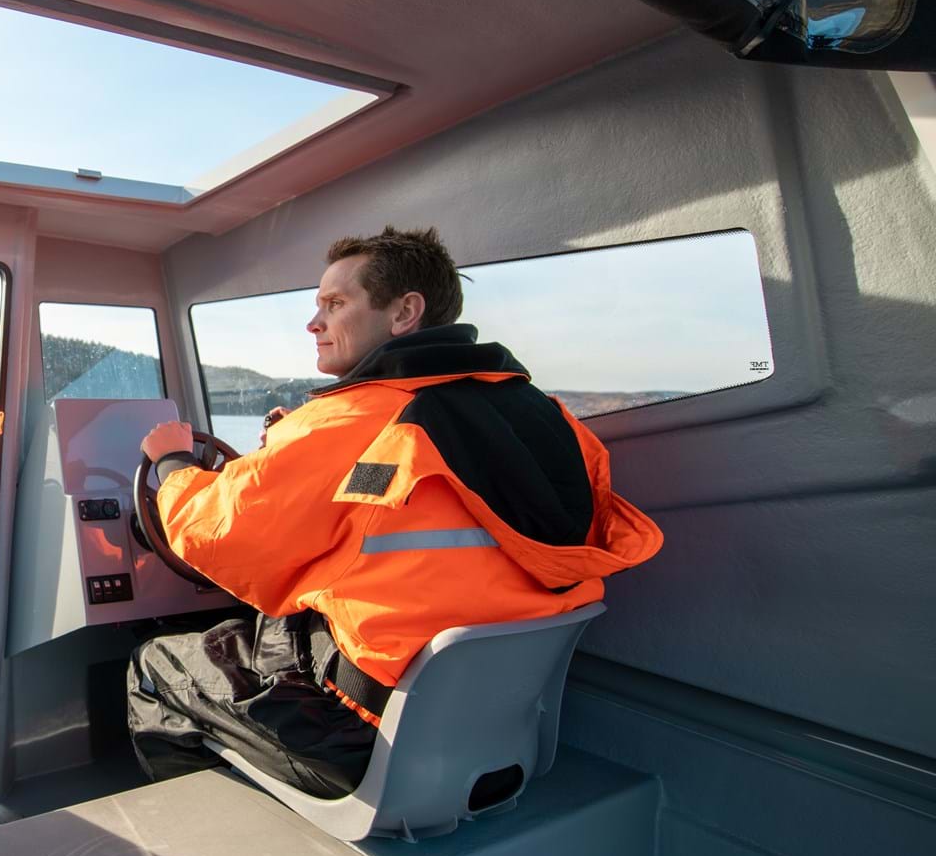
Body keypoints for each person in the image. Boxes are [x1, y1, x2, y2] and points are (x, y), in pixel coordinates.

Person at [127, 226, 663, 797]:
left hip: (366, 731)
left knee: (155, 663)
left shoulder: (347, 420)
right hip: (496, 730)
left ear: (405, 312)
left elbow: (214, 532)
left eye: (335, 304)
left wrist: (173, 464)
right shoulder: (550, 419)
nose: (315, 323)